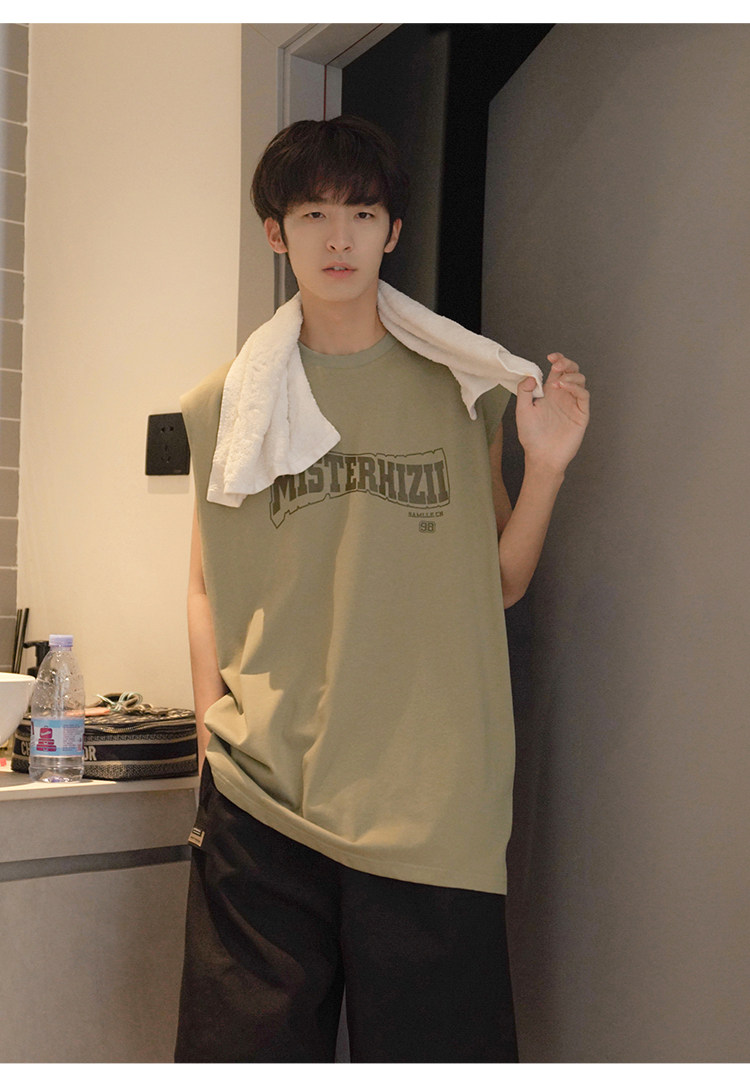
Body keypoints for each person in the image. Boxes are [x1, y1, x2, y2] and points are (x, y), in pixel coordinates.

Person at [174, 115, 589, 1063]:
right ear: (275, 231)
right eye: (312, 213)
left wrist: (547, 468)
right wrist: (210, 745)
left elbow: (500, 582)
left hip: (428, 801)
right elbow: (203, 586)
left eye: (361, 213)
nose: (338, 237)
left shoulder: (463, 387)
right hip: (263, 795)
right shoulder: (225, 405)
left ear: (392, 232)